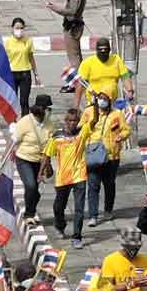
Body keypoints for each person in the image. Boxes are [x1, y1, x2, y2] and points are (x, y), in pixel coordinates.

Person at [45, 105, 92, 248]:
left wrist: (95, 104)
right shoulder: (57, 136)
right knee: (58, 207)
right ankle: (60, 225)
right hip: (62, 178)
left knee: (79, 208)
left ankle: (77, 236)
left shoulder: (82, 132)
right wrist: (44, 170)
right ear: (66, 121)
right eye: (70, 121)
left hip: (79, 176)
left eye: (75, 121)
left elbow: (94, 120)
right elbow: (47, 154)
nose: (72, 123)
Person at [85, 92, 130, 227]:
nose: (101, 101)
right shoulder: (88, 112)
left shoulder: (117, 114)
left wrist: (121, 137)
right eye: (100, 98)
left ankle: (108, 210)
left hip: (111, 156)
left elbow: (126, 130)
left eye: (104, 99)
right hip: (93, 154)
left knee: (109, 184)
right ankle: (93, 215)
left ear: (110, 100)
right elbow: (80, 128)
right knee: (93, 185)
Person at [12, 94, 53, 220]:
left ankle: (32, 208)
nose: (48, 111)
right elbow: (15, 140)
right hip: (24, 159)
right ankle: (29, 214)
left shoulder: (50, 125)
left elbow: (51, 145)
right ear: (39, 108)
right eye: (47, 108)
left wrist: (48, 163)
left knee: (34, 191)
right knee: (30, 185)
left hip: (40, 161)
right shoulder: (25, 122)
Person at [47, 0, 86, 74]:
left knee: (74, 57)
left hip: (72, 27)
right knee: (76, 55)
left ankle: (78, 82)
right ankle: (80, 79)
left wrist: (55, 8)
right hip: (73, 25)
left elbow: (71, 12)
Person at [4, 18, 37, 115]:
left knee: (24, 101)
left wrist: (36, 73)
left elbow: (31, 58)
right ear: (12, 28)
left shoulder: (28, 41)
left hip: (25, 74)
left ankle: (24, 121)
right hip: (11, 73)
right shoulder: (8, 42)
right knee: (12, 100)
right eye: (17, 28)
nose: (19, 30)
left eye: (21, 28)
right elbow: (4, 59)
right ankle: (12, 121)